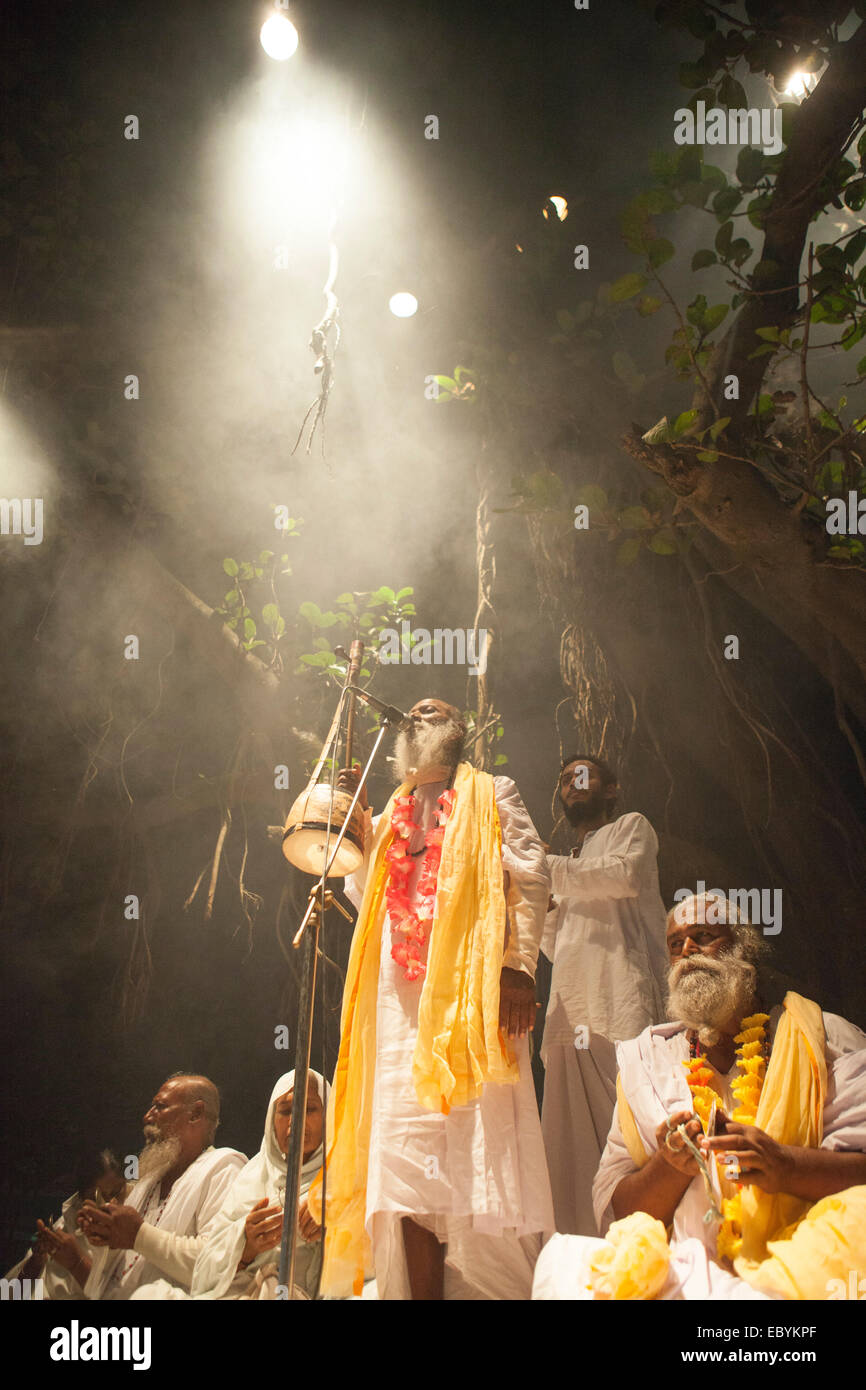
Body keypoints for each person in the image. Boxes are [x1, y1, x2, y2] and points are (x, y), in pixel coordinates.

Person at [308, 696, 554, 1300]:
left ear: (456, 731)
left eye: (432, 710)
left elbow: (529, 876)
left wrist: (518, 971)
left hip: (472, 992)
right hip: (397, 1001)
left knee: (477, 1137)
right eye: (412, 711)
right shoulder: (391, 808)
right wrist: (357, 824)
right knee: (407, 1149)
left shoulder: (492, 792)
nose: (417, 717)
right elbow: (369, 896)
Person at [533, 893, 866, 1299]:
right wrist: (669, 1165)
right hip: (683, 1270)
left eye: (703, 935)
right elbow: (617, 1208)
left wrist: (784, 1165)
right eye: (675, 944)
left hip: (801, 1260)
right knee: (564, 1269)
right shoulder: (646, 1061)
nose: (687, 950)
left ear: (743, 949)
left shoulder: (822, 1038)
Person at [540, 754, 668, 1234]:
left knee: (637, 1145)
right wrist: (546, 908)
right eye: (563, 779)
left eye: (582, 774)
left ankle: (647, 1253)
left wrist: (543, 867)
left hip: (621, 1007)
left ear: (611, 790)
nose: (571, 784)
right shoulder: (566, 864)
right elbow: (556, 946)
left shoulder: (632, 828)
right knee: (570, 1159)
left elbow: (624, 877)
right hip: (567, 1014)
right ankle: (580, 1269)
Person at [78, 1073, 246, 1299]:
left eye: (160, 1107)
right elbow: (125, 1264)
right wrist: (106, 1236)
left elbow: (215, 1264)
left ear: (196, 1113)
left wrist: (139, 1234)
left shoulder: (224, 1167)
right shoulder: (150, 1177)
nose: (147, 1117)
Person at [189, 1069, 328, 1300]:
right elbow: (204, 1268)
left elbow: (379, 1255)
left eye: (310, 1109)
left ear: (328, 1115)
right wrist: (244, 1244)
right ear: (271, 1122)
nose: (296, 1120)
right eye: (285, 1111)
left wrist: (334, 1225)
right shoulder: (251, 1176)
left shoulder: (345, 1175)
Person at [4, 1150, 126, 1300]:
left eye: (116, 1192)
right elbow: (13, 1295)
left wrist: (76, 1262)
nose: (108, 1204)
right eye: (97, 1197)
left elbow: (120, 1294)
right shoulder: (63, 1229)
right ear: (81, 1197)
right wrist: (37, 1260)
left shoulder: (133, 1231)